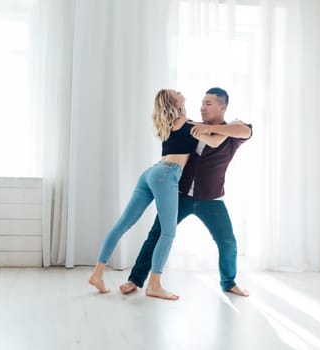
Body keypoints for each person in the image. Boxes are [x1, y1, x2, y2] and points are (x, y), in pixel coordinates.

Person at [88, 89, 227, 300]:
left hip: (151, 173)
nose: (181, 92)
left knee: (123, 223)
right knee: (168, 232)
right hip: (166, 175)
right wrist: (234, 128)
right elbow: (215, 142)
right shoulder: (189, 125)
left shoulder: (168, 123)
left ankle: (98, 273)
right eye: (177, 92)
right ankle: (154, 284)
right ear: (175, 101)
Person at [119, 87, 252, 297]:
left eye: (208, 104)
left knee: (227, 242)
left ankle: (229, 282)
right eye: (201, 103)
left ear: (222, 107)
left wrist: (220, 129)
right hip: (179, 195)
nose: (202, 107)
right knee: (156, 235)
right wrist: (200, 127)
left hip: (211, 198)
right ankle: (135, 279)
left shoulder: (232, 132)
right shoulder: (190, 127)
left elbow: (246, 131)